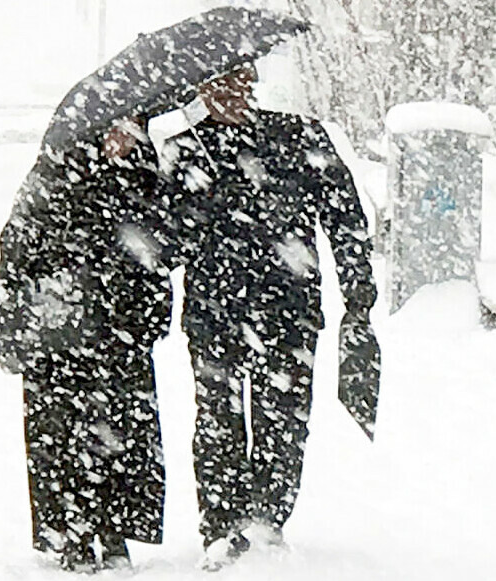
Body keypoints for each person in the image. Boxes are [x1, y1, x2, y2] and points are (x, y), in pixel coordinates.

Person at [157, 63, 377, 571]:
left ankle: (267, 520)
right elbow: (166, 243)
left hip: (289, 310)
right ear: (200, 91)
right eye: (218, 86)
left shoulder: (297, 137)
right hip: (215, 313)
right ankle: (221, 527)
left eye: (238, 83)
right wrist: (195, 200)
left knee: (284, 420)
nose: (230, 95)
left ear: (252, 84)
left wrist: (358, 294)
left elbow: (344, 216)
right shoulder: (185, 150)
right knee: (217, 420)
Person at [0, 116, 174, 572]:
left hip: (120, 329)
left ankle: (113, 530)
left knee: (121, 432)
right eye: (117, 129)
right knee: (61, 433)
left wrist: (150, 309)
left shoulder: (144, 178)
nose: (124, 140)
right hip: (62, 332)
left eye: (134, 130)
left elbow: (159, 252)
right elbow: (17, 245)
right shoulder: (54, 176)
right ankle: (71, 530)